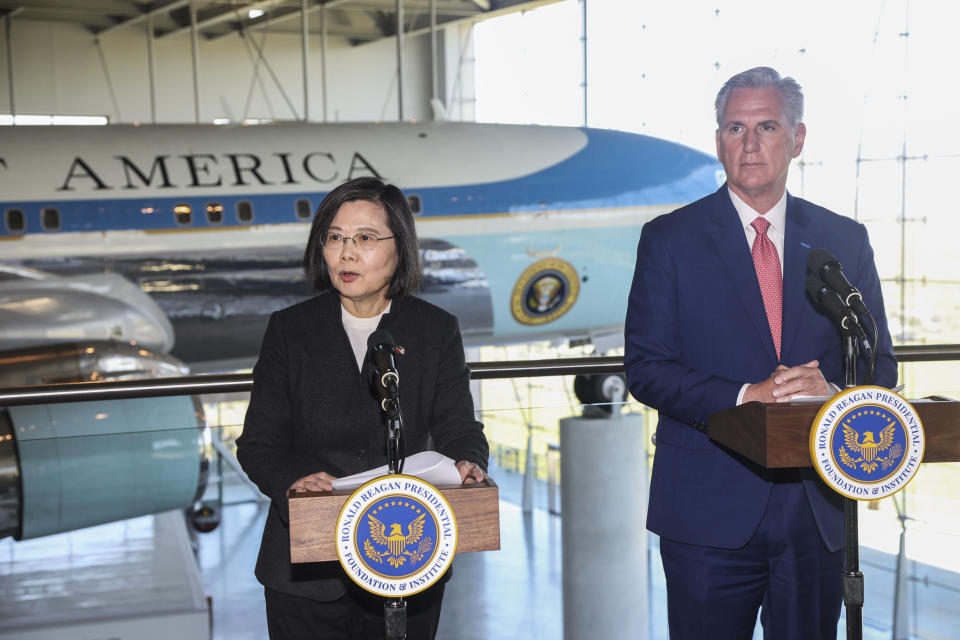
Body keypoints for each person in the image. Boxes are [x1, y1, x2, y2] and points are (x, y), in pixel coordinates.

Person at [624, 67, 897, 639]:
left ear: (797, 139)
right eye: (734, 128)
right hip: (705, 510)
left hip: (816, 512)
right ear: (718, 139)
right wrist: (747, 395)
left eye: (767, 126)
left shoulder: (843, 240)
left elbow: (880, 365)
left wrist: (834, 393)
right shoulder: (669, 239)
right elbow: (646, 369)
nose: (749, 144)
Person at [236, 176, 489, 639]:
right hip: (306, 571)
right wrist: (292, 481)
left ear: (401, 248)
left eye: (365, 239)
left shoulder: (435, 330)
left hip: (407, 558)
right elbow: (258, 444)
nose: (346, 253)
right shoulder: (290, 331)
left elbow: (458, 427)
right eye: (334, 238)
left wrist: (470, 462)